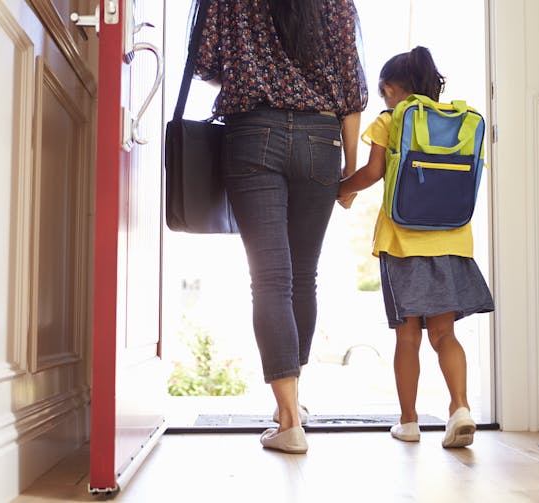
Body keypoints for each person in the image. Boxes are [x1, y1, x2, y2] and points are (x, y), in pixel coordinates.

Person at [193, 0, 368, 453]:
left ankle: (288, 419)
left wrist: (250, 73)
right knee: (303, 276)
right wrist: (349, 172)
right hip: (321, 139)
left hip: (253, 133)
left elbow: (205, 63)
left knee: (270, 280)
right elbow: (350, 91)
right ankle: (292, 404)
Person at [337, 46, 494, 448]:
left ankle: (408, 422)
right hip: (453, 239)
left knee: (408, 337)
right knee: (445, 334)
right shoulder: (459, 122)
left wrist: (341, 191)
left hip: (403, 241)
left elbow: (372, 172)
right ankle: (460, 408)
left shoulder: (391, 119)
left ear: (390, 88)